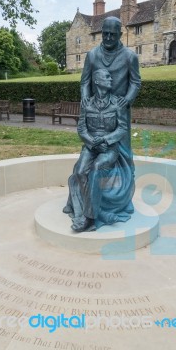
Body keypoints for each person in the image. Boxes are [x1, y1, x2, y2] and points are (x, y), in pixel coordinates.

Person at [64, 68, 135, 232]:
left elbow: (122, 128)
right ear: (97, 81)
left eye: (111, 76)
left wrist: (105, 140)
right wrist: (92, 143)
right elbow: (81, 129)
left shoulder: (117, 103)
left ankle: (89, 218)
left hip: (110, 148)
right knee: (80, 171)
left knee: (96, 168)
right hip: (91, 146)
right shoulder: (87, 103)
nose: (111, 79)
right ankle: (92, 210)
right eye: (107, 77)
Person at [81, 16, 141, 154]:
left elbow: (135, 82)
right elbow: (85, 81)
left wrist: (127, 100)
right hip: (96, 109)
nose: (108, 37)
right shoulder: (92, 55)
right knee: (93, 145)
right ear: (101, 32)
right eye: (105, 34)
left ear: (120, 35)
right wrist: (85, 98)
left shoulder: (130, 56)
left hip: (119, 107)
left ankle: (124, 172)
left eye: (112, 34)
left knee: (122, 149)